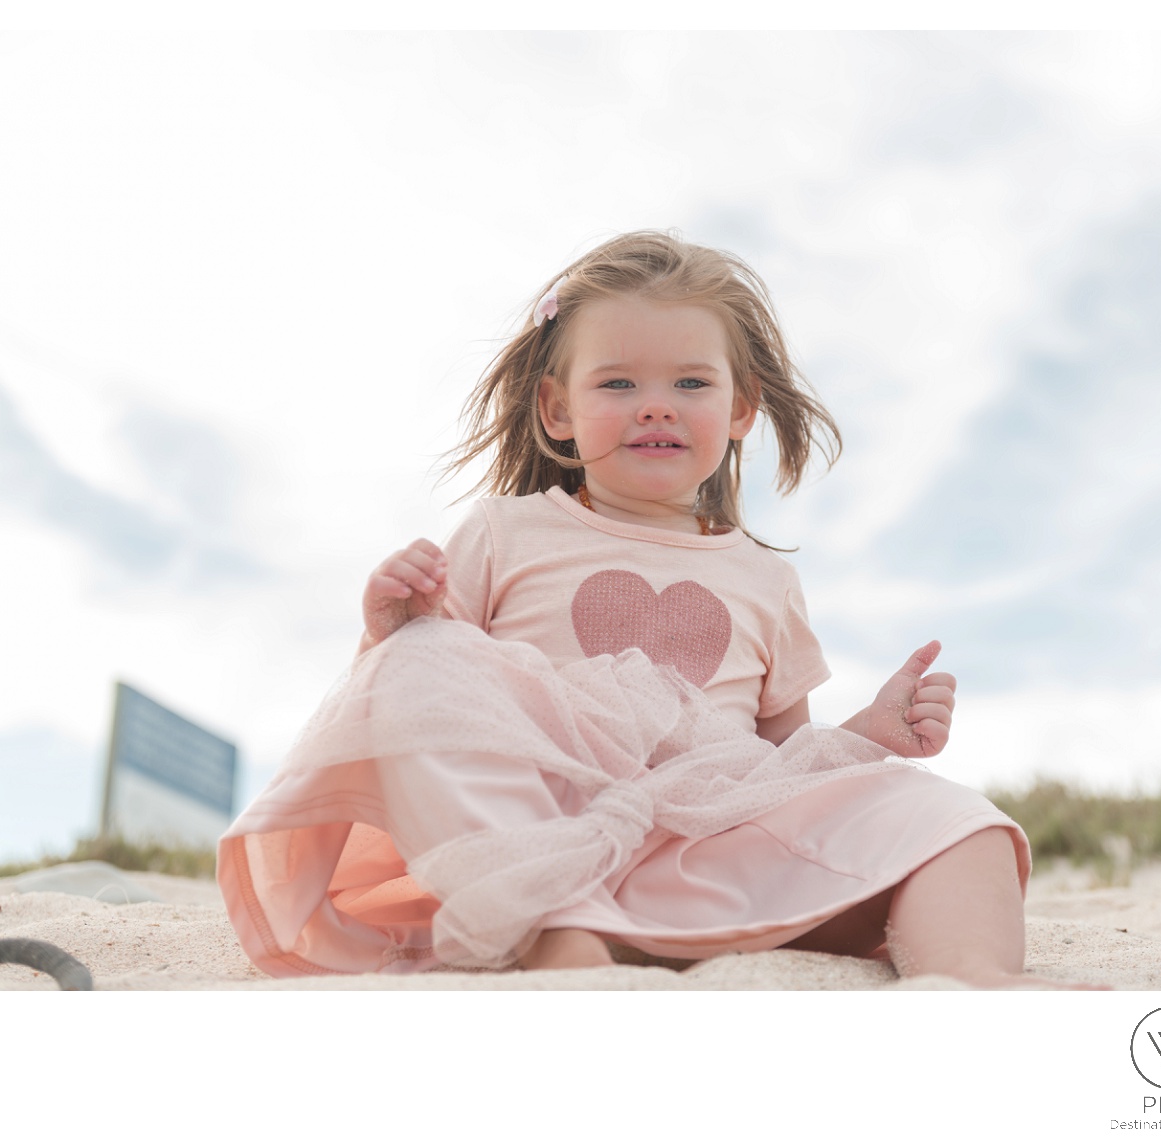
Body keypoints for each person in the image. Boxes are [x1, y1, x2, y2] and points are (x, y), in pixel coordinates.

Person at [217, 230, 1045, 986]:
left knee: (949, 813)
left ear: (740, 409)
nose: (657, 403)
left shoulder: (764, 578)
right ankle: (559, 931)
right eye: (619, 383)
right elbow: (422, 723)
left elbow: (785, 756)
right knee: (422, 658)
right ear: (558, 410)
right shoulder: (507, 530)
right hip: (542, 847)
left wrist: (868, 736)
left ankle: (969, 979)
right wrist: (391, 629)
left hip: (710, 839)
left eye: (691, 381)